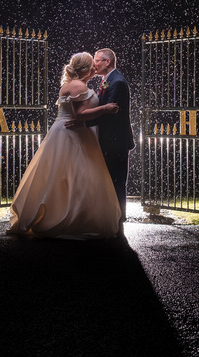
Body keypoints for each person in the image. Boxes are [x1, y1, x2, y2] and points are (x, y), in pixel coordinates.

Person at [7, 52, 122, 240]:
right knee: (76, 175)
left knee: (63, 176)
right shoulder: (77, 86)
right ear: (84, 69)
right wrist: (105, 108)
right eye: (91, 65)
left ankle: (72, 214)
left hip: (69, 132)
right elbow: (80, 114)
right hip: (72, 135)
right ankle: (72, 219)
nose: (95, 67)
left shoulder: (74, 84)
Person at [67, 48, 135, 225]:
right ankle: (110, 214)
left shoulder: (117, 82)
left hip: (116, 141)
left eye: (97, 61)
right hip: (108, 140)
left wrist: (83, 122)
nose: (94, 64)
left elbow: (111, 113)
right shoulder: (108, 80)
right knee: (109, 179)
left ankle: (119, 217)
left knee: (117, 180)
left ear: (108, 62)